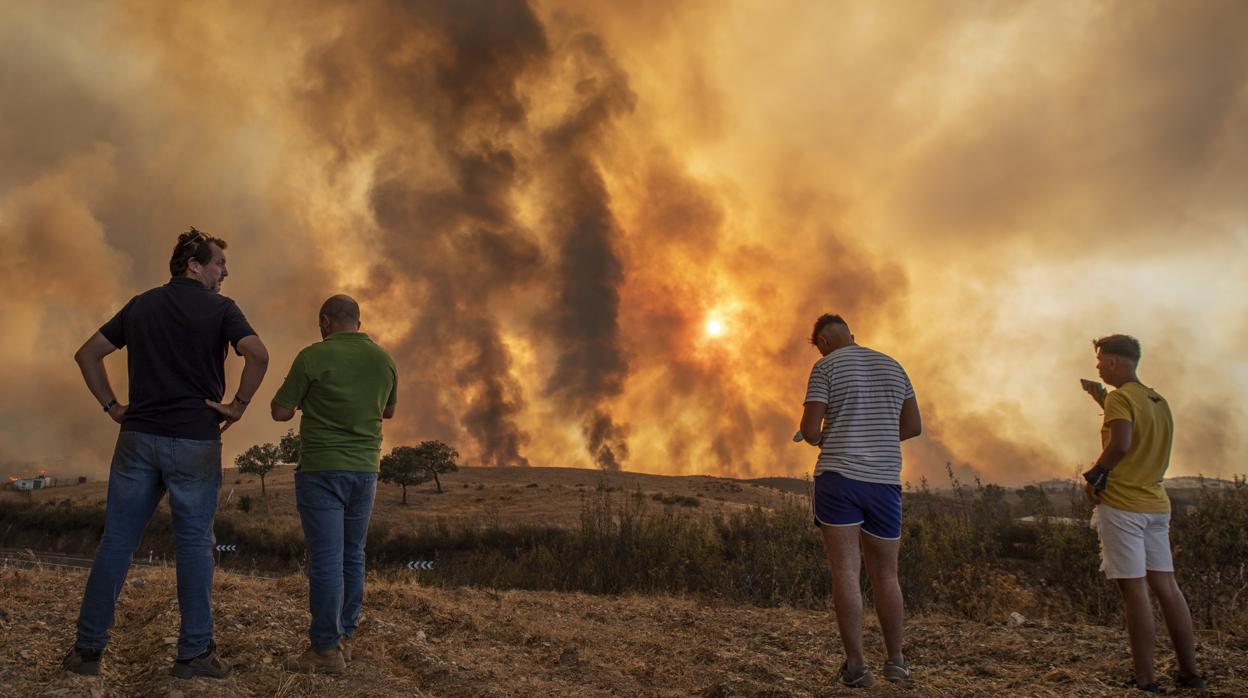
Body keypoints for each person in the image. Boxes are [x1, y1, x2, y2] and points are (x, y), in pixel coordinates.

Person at [62, 228, 269, 679]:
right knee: (194, 545)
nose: (225, 272)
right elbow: (258, 355)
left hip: (137, 439)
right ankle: (193, 655)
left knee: (117, 542)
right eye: (219, 263)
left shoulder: (141, 305)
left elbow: (86, 355)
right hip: (195, 439)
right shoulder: (221, 309)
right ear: (194, 264)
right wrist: (238, 406)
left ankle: (86, 652)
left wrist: (113, 407)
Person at [272, 295, 397, 674]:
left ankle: (325, 650)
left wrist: (306, 400)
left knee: (326, 558)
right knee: (353, 554)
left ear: (326, 321)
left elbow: (280, 411)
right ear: (357, 322)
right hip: (364, 471)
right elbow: (388, 410)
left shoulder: (312, 356)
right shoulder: (384, 359)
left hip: (322, 469)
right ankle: (344, 635)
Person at [799, 314, 921, 688]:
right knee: (886, 574)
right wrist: (878, 438)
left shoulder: (825, 367)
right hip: (884, 483)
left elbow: (809, 430)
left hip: (839, 479)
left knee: (846, 571)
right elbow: (913, 426)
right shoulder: (894, 366)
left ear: (821, 341)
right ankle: (896, 662)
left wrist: (827, 435)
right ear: (852, 334)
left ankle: (856, 668)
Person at [1081, 334, 1206, 693]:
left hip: (1123, 506)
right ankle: (1190, 673)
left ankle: (1146, 680)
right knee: (1167, 586)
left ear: (1116, 362)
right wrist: (1103, 402)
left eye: (1101, 361)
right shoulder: (1157, 400)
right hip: (1155, 504)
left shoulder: (1121, 398)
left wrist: (1095, 476)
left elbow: (1121, 444)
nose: (1099, 366)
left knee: (1134, 591)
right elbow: (1139, 432)